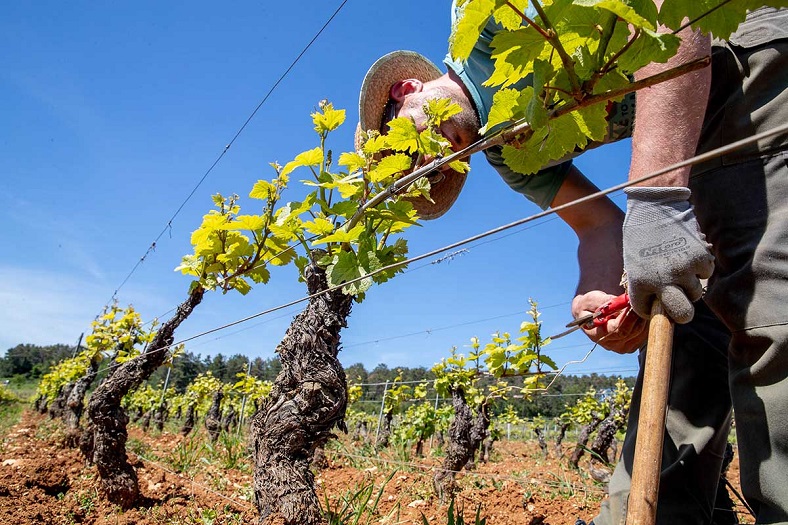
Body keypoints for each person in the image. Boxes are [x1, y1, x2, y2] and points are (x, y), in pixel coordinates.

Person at [357, 2, 788, 523]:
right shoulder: (508, 154)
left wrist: (656, 199)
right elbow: (597, 225)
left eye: (409, 149)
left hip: (741, 61)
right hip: (691, 124)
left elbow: (668, 10)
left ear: (406, 91)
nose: (432, 166)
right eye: (426, 176)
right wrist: (595, 292)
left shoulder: (489, 14)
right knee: (684, 328)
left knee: (768, 310)